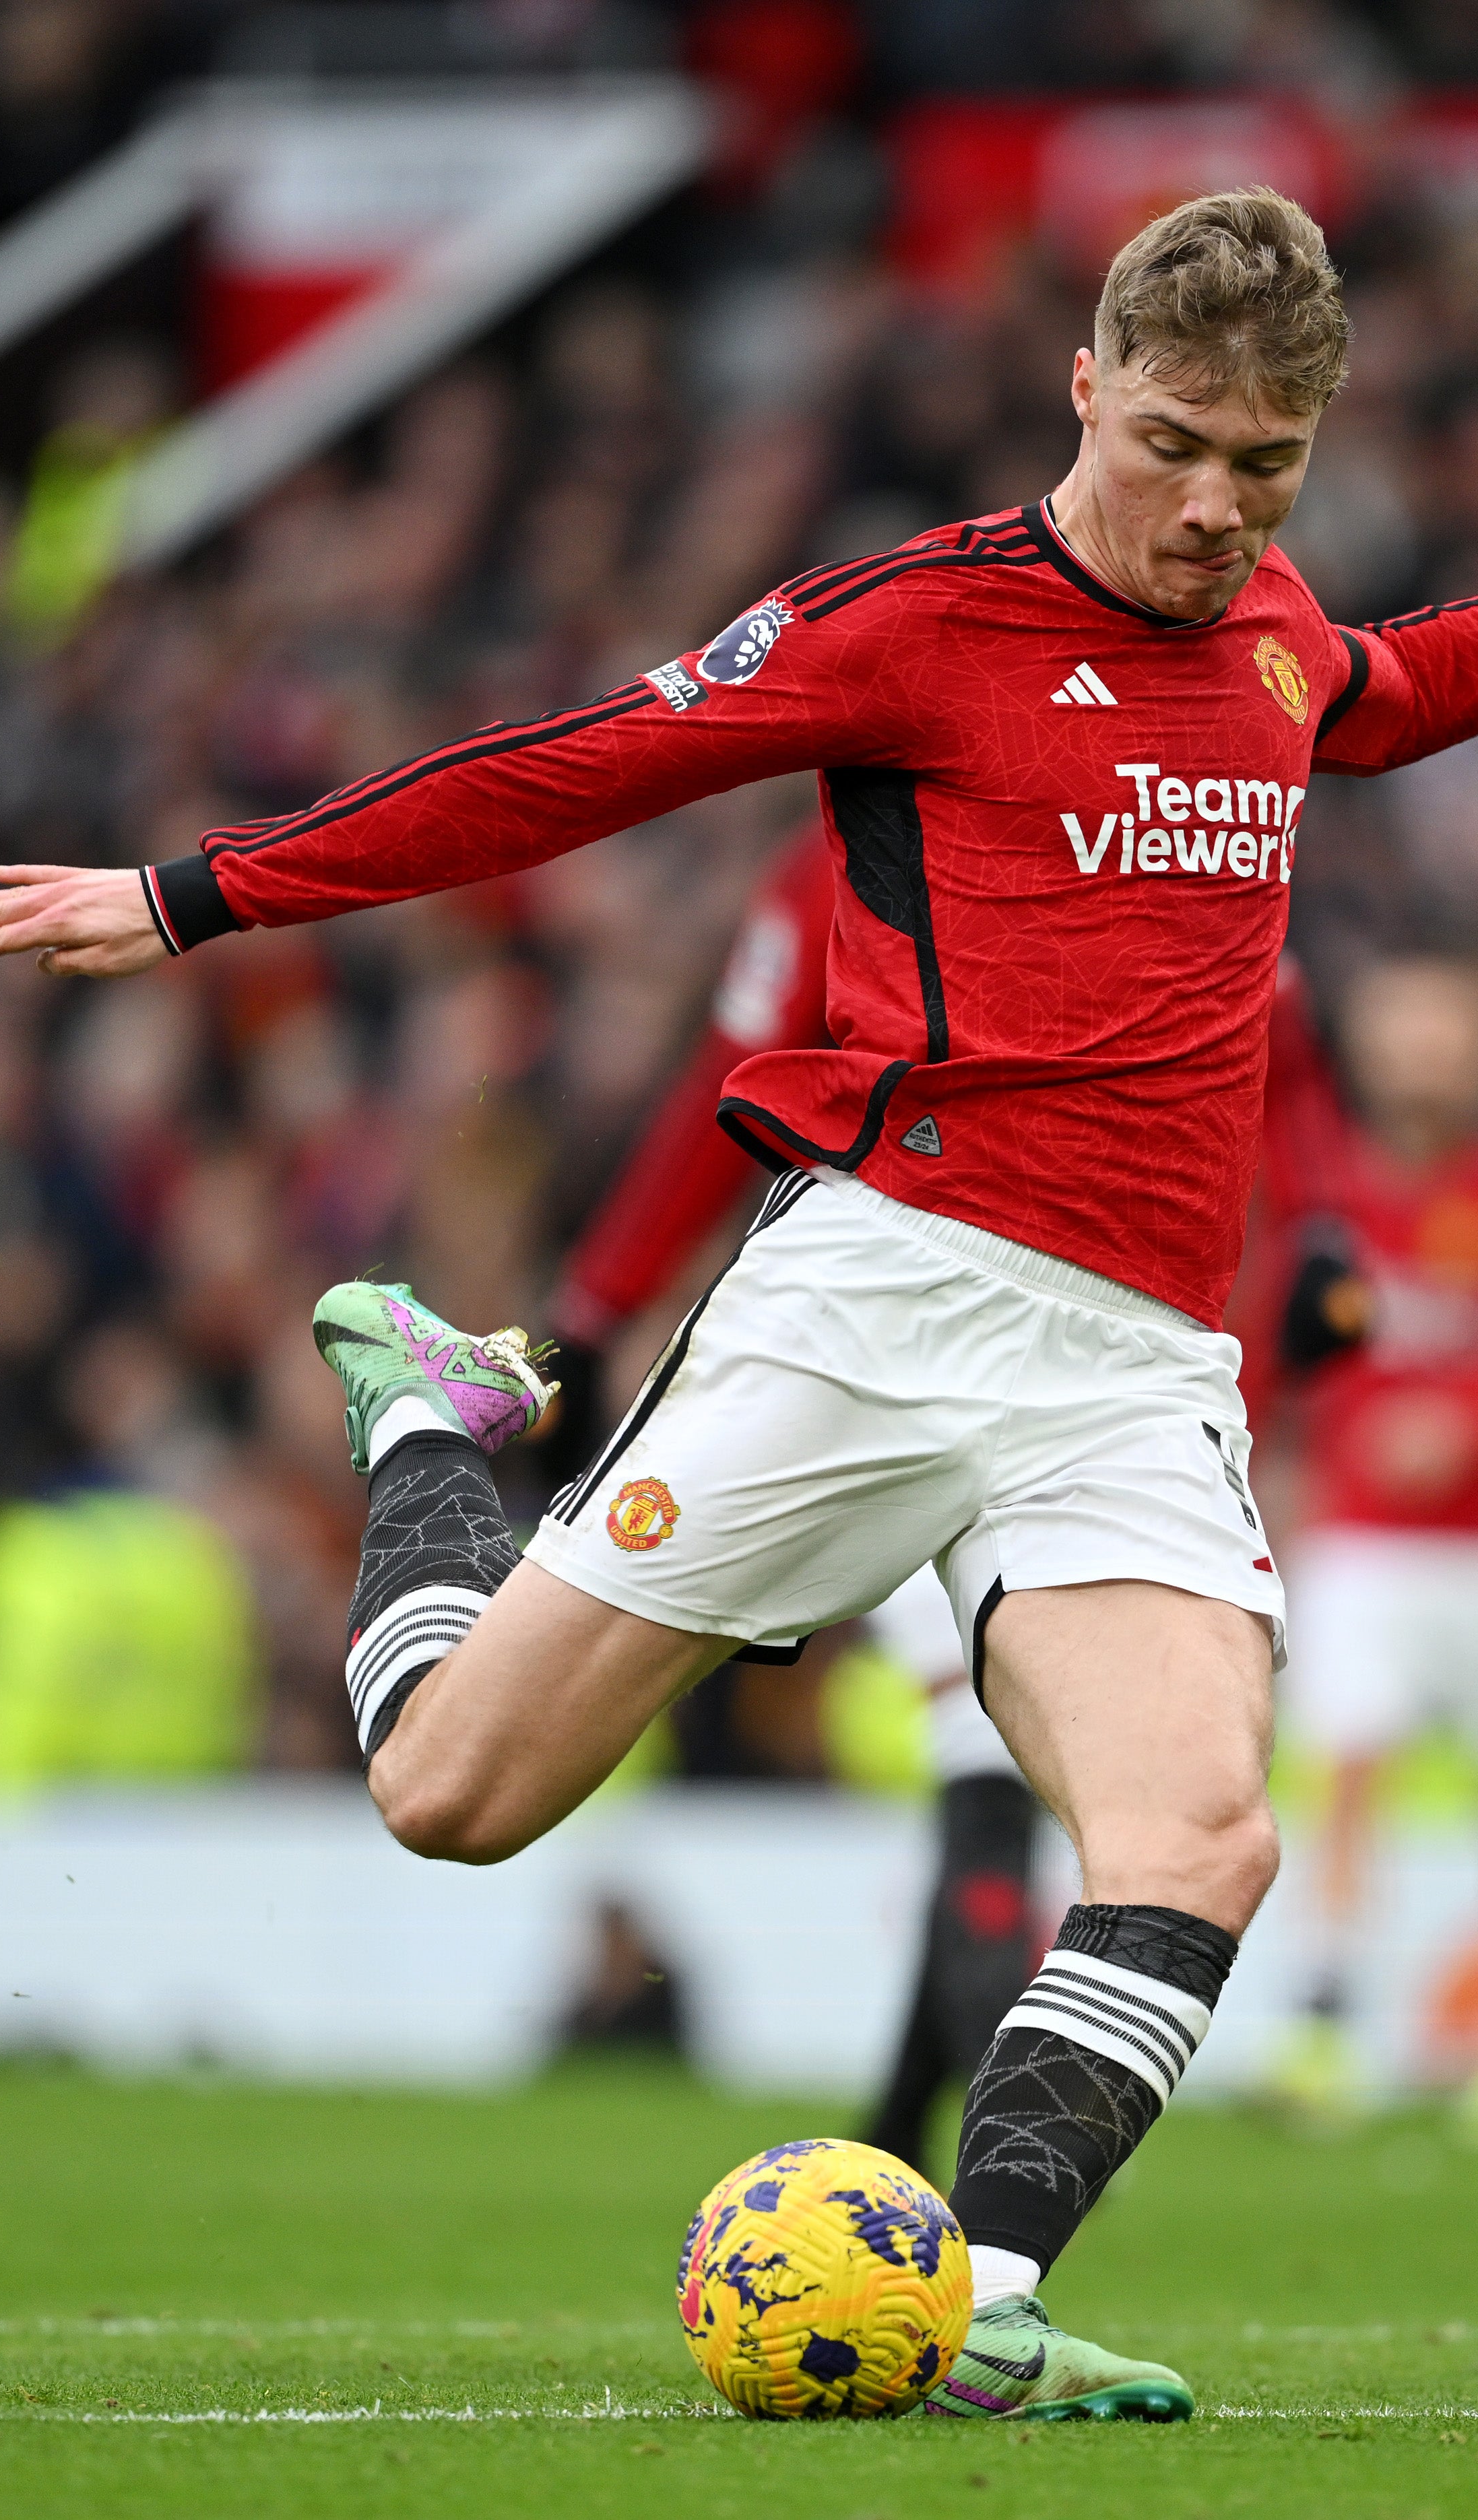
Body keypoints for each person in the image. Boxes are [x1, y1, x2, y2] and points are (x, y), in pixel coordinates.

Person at [0, 185, 1478, 2418]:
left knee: (1200, 1839)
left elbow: (1403, 684)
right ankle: (439, 1428)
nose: (1212, 508)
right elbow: (568, 765)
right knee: (453, 1799)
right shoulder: (911, 626)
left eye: (1266, 468)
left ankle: (989, 2295)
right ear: (1083, 386)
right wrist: (197, 895)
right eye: (1170, 446)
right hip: (880, 1293)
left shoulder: (1272, 630)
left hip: (1136, 1364)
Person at [540, 822, 1045, 2183]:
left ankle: (917, 2170)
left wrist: (593, 1312)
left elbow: (725, 1078)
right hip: (1006, 1358)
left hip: (912, 1354)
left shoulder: (843, 857)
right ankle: (963, 2203)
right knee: (988, 1789)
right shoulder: (1144, 821)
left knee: (989, 1790)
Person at [1255, 958, 1478, 2147]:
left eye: (1445, 1040)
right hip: (1368, 1543)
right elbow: (1273, 1341)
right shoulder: (1331, 1199)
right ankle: (1327, 2023)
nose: (1423, 1064)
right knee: (1351, 1767)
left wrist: (1473, 1419)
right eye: (1405, 1040)